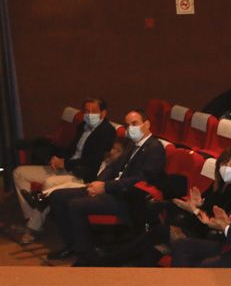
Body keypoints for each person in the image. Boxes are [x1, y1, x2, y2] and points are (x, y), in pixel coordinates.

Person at [47, 108, 166, 261]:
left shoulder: (154, 148)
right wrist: (99, 183)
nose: (131, 128)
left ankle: (86, 254)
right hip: (111, 189)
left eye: (134, 123)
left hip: (126, 197)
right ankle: (72, 244)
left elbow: (142, 179)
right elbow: (113, 167)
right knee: (57, 196)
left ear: (147, 124)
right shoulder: (132, 145)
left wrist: (105, 187)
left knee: (75, 205)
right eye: (128, 125)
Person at [14, 97, 116, 245]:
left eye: (93, 111)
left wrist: (65, 163)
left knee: (49, 183)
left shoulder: (107, 132)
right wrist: (57, 158)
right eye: (86, 111)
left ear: (103, 113)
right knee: (19, 173)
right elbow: (72, 149)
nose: (89, 114)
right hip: (64, 167)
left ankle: (33, 228)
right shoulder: (83, 126)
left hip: (81, 174)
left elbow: (92, 160)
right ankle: (32, 218)